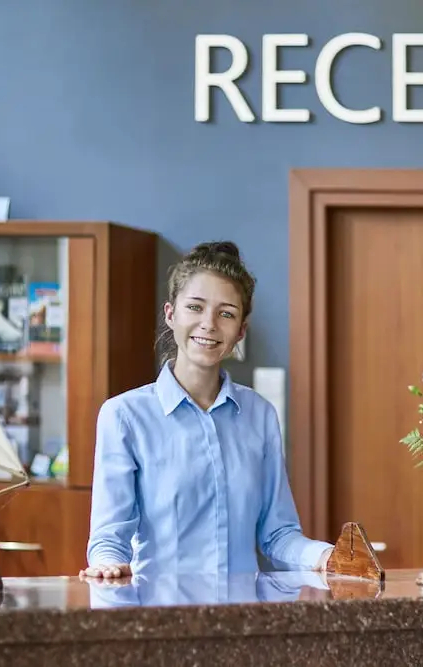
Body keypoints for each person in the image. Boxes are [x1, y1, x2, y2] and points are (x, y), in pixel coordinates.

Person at [80, 241, 333, 579]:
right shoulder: (124, 416)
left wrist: (326, 555)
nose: (209, 324)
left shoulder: (259, 415)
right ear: (171, 314)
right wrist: (106, 566)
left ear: (240, 330)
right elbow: (109, 539)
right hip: (159, 608)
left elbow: (278, 535)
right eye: (195, 307)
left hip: (242, 609)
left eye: (226, 313)